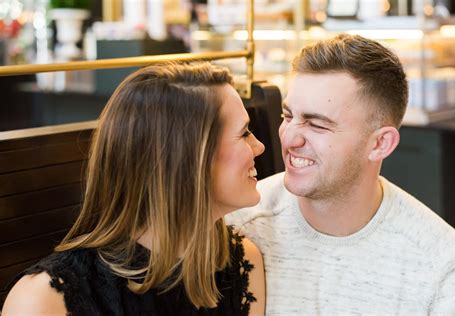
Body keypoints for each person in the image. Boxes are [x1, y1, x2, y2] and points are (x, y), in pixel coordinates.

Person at [226, 34, 455, 314]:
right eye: (288, 116)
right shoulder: (235, 229)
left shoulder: (444, 268)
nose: (289, 138)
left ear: (380, 144)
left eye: (317, 125)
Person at [3, 62, 266, 315]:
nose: (259, 146)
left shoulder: (243, 264)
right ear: (186, 159)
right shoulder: (42, 301)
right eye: (244, 133)